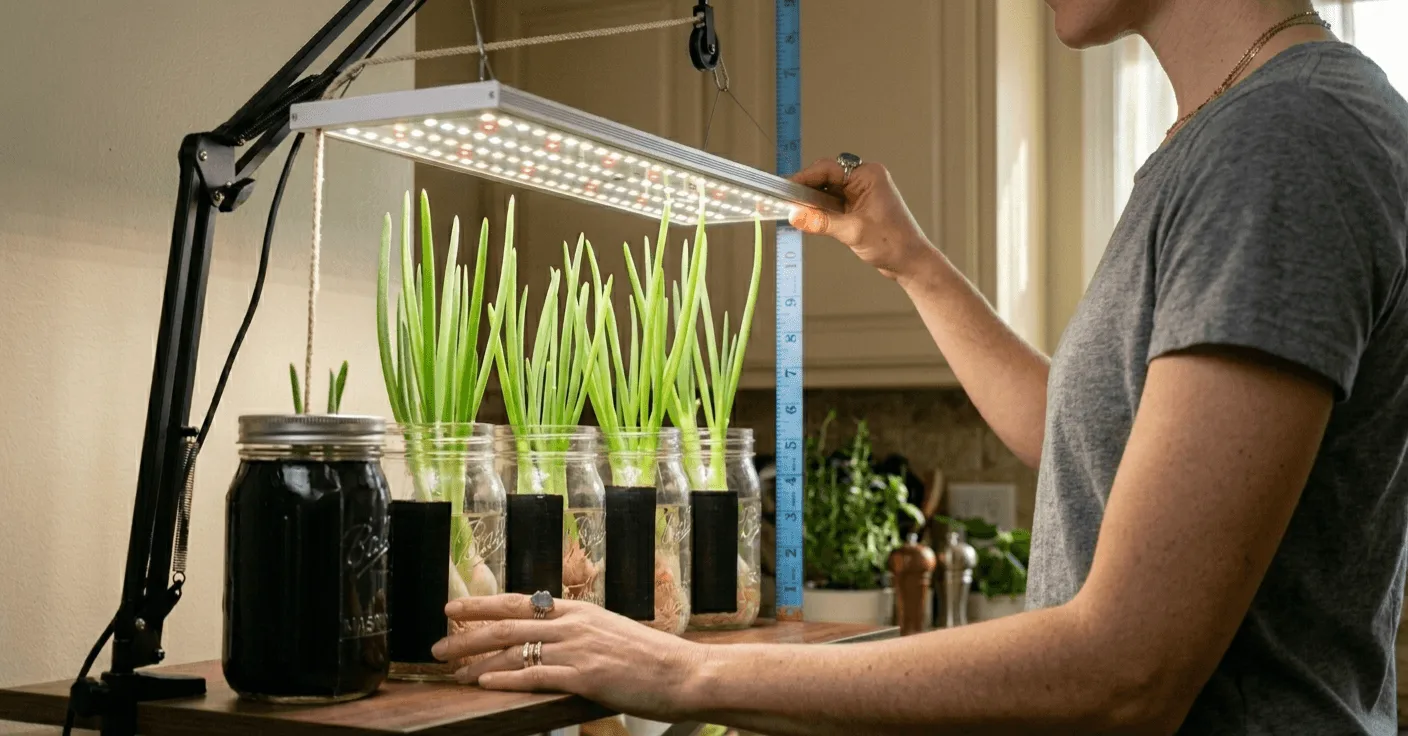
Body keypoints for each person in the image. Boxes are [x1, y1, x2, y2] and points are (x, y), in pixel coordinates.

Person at [434, 0, 1408, 732]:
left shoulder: (1282, 145)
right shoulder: (1232, 136)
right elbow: (1089, 443)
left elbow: (1127, 668)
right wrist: (910, 263)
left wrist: (682, 672)